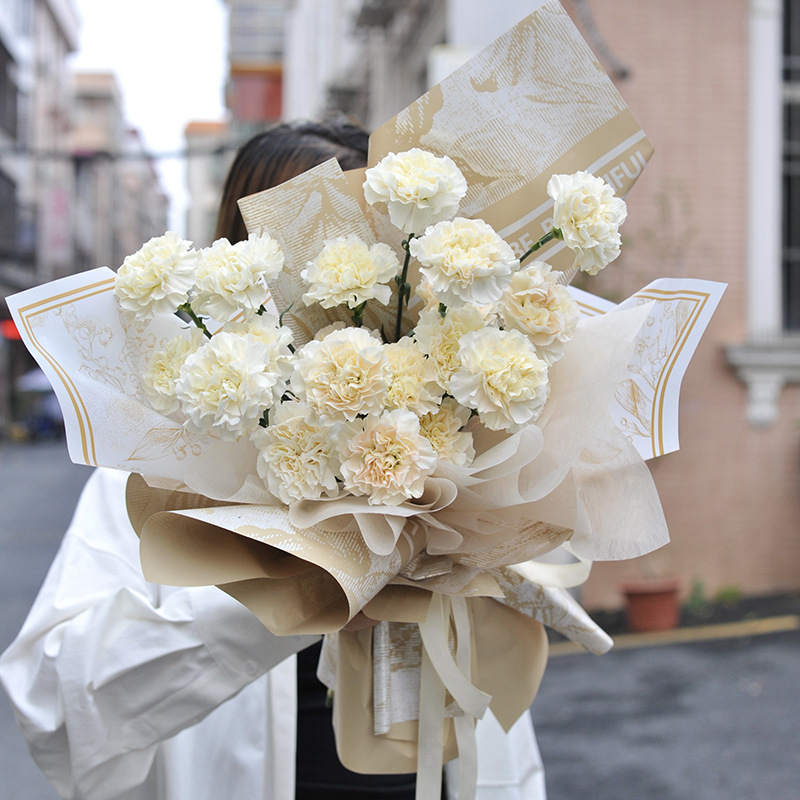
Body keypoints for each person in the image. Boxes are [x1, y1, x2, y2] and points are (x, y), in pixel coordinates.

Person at [0, 118, 546, 800]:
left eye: (376, 245)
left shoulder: (449, 447)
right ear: (235, 268)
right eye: (306, 245)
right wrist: (289, 588)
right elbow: (55, 703)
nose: (343, 288)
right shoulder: (162, 473)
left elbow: (500, 744)